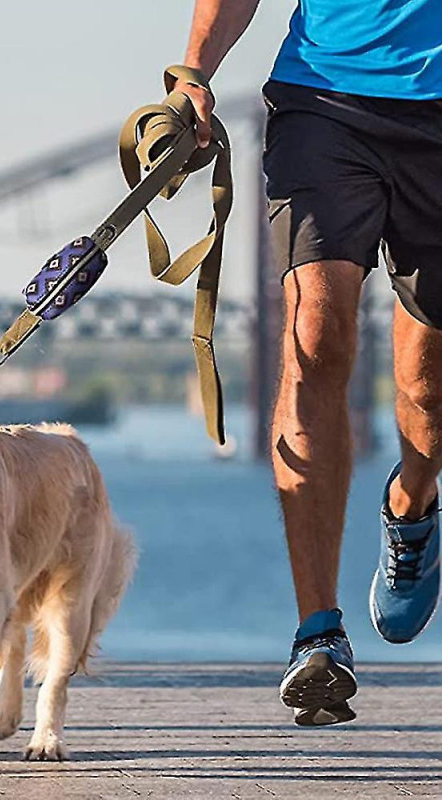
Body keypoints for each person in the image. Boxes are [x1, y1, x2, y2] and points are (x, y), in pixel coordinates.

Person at [177, 0, 442, 725]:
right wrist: (194, 70)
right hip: (323, 100)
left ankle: (411, 505)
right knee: (317, 336)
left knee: (428, 386)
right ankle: (317, 632)